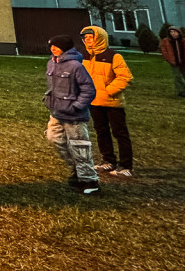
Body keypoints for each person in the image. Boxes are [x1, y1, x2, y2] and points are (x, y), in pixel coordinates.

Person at [44, 35, 99, 195]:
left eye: (57, 46)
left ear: (65, 48)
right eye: (51, 46)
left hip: (74, 115)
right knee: (54, 139)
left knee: (80, 147)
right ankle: (77, 169)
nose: (53, 49)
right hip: (56, 112)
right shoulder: (51, 64)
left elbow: (88, 89)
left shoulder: (75, 66)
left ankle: (89, 180)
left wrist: (77, 106)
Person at [81, 26, 134, 178]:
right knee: (101, 131)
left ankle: (125, 165)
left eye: (90, 37)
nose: (87, 40)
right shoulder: (85, 56)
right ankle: (108, 160)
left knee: (120, 133)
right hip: (94, 101)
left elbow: (125, 77)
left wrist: (109, 90)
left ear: (99, 38)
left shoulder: (113, 56)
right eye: (85, 38)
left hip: (112, 102)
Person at [159, 26, 185, 97]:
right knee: (177, 76)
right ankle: (181, 91)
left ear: (179, 33)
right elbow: (164, 51)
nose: (173, 34)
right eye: (171, 32)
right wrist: (168, 59)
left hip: (183, 61)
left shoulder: (183, 41)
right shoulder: (165, 41)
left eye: (175, 32)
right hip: (174, 62)